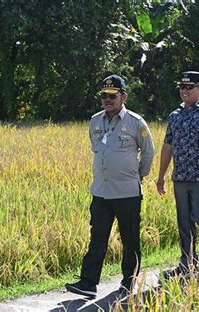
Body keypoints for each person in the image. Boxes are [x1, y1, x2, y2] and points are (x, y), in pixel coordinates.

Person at [65, 74, 155, 297]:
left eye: (113, 96)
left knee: (130, 239)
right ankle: (88, 283)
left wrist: (137, 176)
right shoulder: (95, 120)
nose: (108, 99)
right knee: (98, 237)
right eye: (104, 95)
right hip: (101, 191)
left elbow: (149, 152)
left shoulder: (136, 122)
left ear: (124, 96)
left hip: (127, 193)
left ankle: (128, 281)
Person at [156, 71, 199, 272]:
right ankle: (187, 260)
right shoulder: (175, 115)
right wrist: (161, 176)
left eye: (189, 87)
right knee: (184, 219)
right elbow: (167, 146)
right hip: (180, 175)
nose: (185, 91)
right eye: (182, 87)